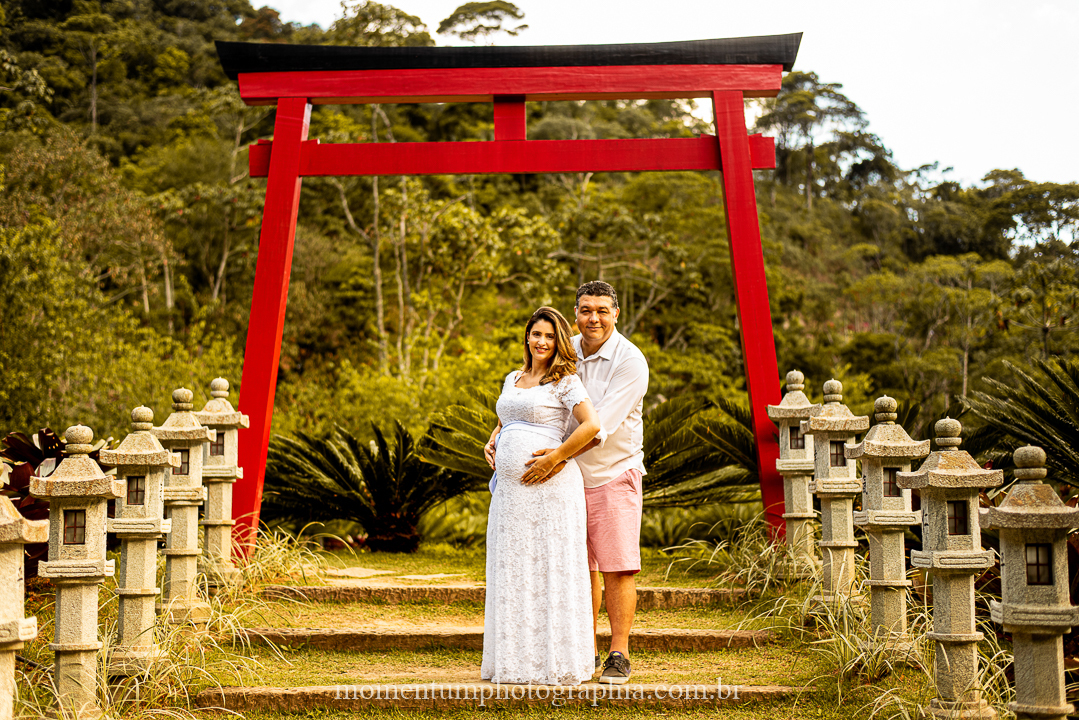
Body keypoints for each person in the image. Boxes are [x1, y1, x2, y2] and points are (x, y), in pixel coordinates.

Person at [480, 306, 602, 686]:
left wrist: (556, 458)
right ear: (526, 337)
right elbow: (507, 417)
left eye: (550, 336)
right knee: (513, 566)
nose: (542, 342)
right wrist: (493, 439)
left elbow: (592, 426)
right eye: (537, 334)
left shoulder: (565, 380)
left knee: (550, 566)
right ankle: (516, 661)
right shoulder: (512, 378)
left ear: (559, 341)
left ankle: (555, 661)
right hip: (511, 494)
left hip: (550, 490)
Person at [562, 280, 649, 685]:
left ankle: (619, 652)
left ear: (616, 313)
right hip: (565, 479)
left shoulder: (630, 361)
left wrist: (550, 459)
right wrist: (502, 435)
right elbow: (534, 396)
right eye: (584, 310)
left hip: (613, 474)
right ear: (576, 313)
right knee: (577, 568)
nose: (592, 318)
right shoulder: (565, 352)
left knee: (617, 568)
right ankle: (582, 645)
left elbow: (600, 428)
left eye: (601, 310)